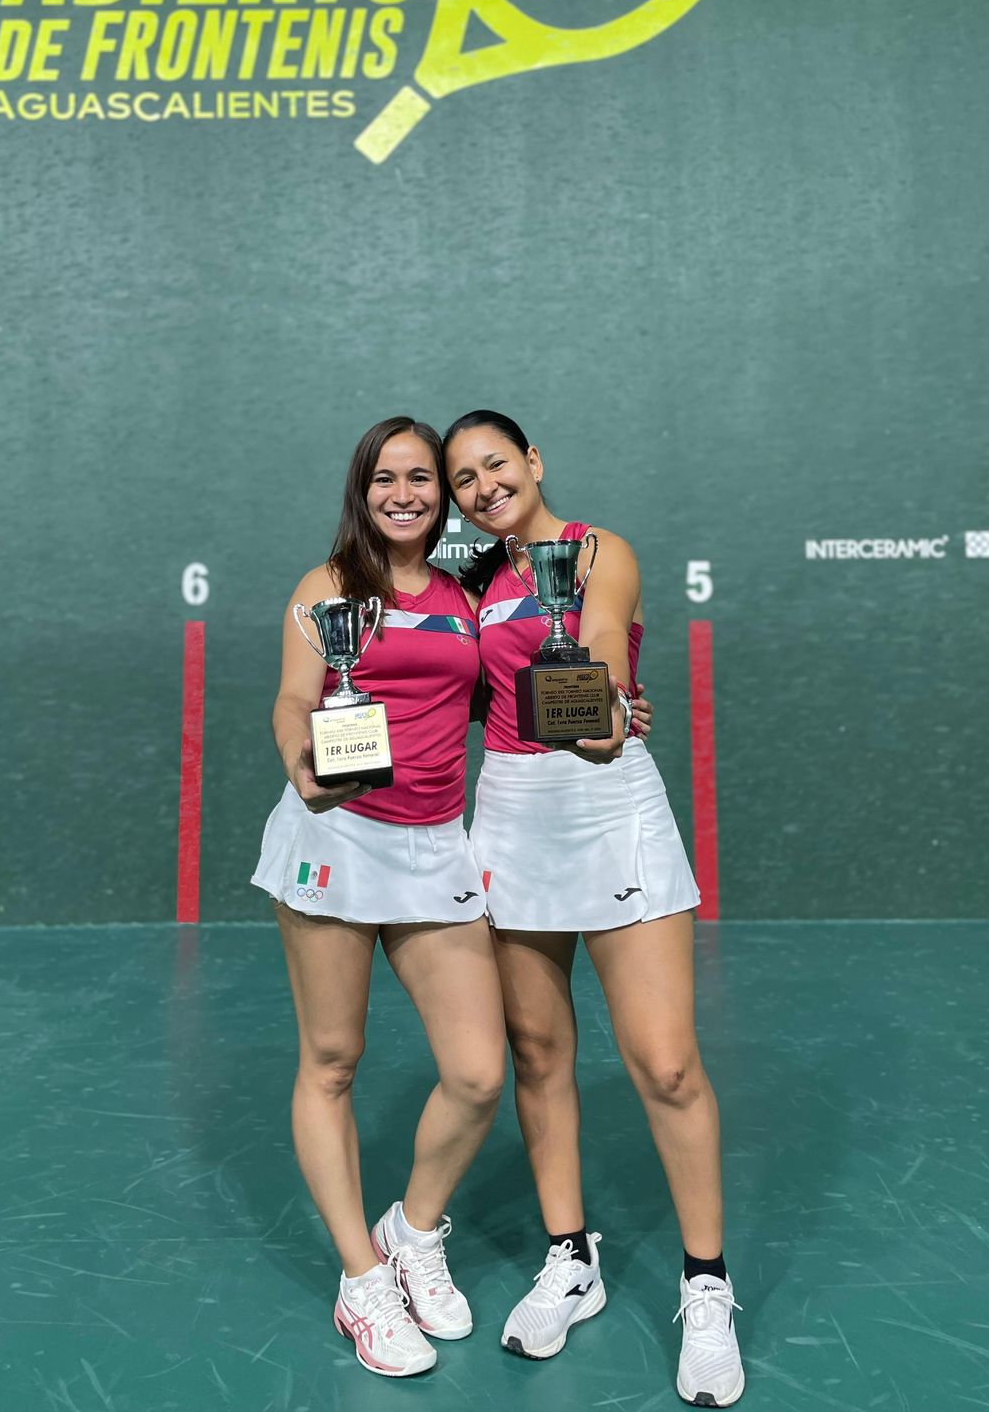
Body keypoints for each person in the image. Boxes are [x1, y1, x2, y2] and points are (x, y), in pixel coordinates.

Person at [443, 409, 745, 1409]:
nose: (484, 485)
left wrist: (606, 705)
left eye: (497, 463)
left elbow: (602, 641)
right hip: (514, 816)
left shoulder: (598, 549)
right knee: (538, 1051)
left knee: (665, 1060)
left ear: (533, 461)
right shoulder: (466, 580)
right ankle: (571, 1259)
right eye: (464, 480)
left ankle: (706, 1284)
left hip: (612, 810)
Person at [251, 416, 506, 1379]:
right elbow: (292, 700)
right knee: (332, 1059)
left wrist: (608, 704)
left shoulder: (462, 596)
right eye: (385, 478)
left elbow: (502, 691)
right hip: (336, 838)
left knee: (480, 1073)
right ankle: (362, 1278)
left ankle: (413, 1231)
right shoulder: (327, 589)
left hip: (436, 846)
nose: (405, 493)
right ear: (362, 491)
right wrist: (304, 766)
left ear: (443, 495)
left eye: (423, 479)